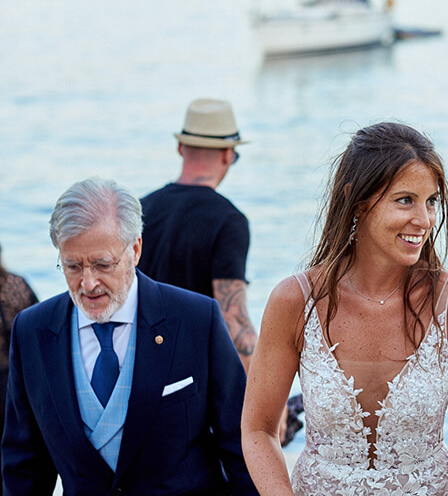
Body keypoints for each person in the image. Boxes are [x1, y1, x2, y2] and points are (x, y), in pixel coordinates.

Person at [241, 122, 448, 495]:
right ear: (357, 200)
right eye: (405, 200)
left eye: (431, 201)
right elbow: (258, 430)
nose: (424, 220)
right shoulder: (295, 301)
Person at [2, 178, 257, 495]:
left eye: (102, 264)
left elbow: (240, 444)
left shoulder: (197, 319)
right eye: (73, 266)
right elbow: (24, 467)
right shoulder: (31, 331)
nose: (88, 284)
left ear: (135, 249)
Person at [138, 98, 257, 371]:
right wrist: (264, 389)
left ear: (180, 148)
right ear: (228, 155)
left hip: (139, 368)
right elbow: (234, 320)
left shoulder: (139, 209)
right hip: (193, 376)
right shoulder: (229, 221)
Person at [0, 243, 38, 491]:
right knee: (15, 452)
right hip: (14, 384)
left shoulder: (15, 285)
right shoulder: (16, 285)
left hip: (10, 382)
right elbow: (39, 333)